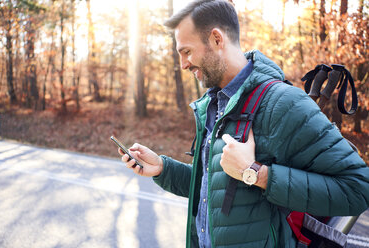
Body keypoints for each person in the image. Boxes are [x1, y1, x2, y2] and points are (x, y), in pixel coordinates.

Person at [119, 0, 369, 247]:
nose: (183, 64)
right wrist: (162, 168)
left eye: (186, 51)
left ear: (217, 39)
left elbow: (359, 188)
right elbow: (213, 191)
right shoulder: (214, 105)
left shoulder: (282, 104)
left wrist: (256, 174)